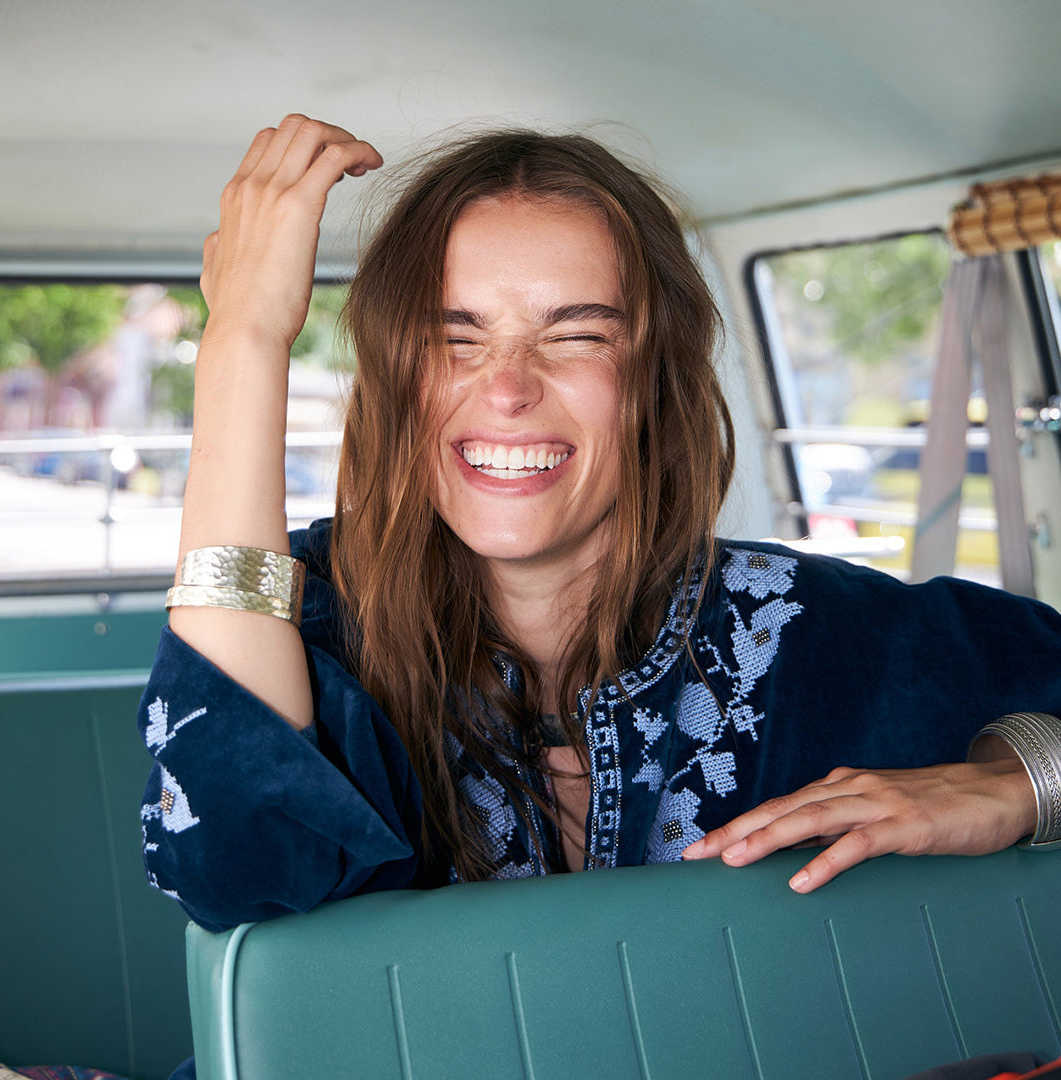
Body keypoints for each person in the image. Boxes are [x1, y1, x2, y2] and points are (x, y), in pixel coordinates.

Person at [140, 116, 1061, 943]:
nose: (507, 388)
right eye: (454, 337)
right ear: (392, 377)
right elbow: (231, 870)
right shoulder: (309, 625)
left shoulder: (827, 631)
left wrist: (1019, 784)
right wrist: (244, 339)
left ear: (657, 380)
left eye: (577, 335)